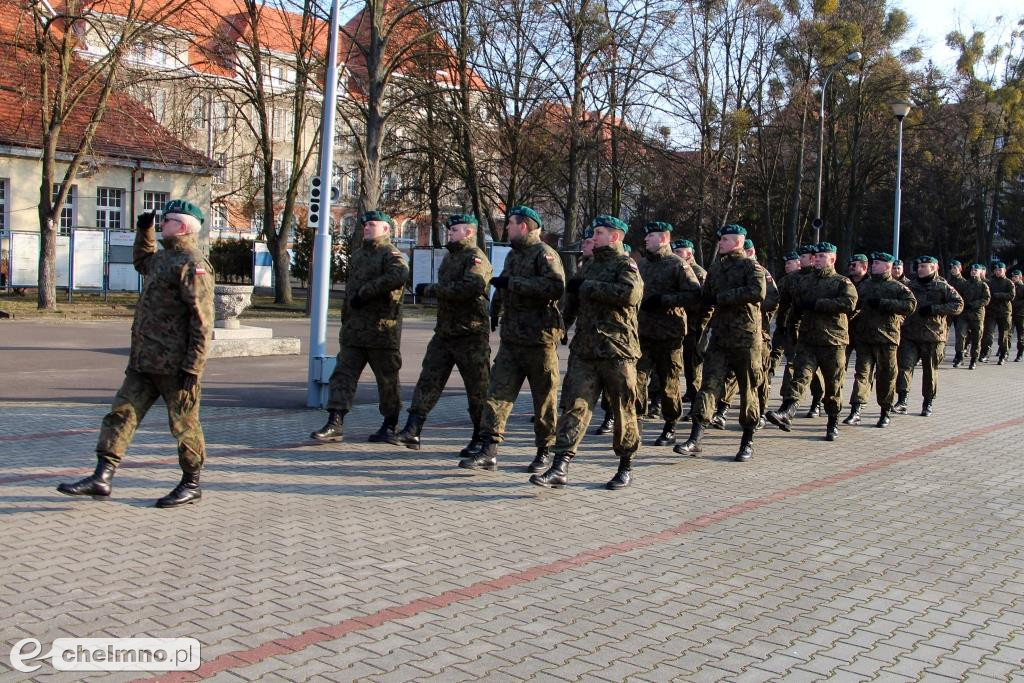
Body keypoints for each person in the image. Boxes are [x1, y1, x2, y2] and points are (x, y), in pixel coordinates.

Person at [57, 201, 214, 508]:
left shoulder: (192, 264)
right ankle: (102, 476)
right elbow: (143, 260)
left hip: (175, 366)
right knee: (120, 415)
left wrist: (193, 367)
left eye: (166, 220)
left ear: (182, 226)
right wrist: (145, 231)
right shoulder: (163, 258)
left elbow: (202, 321)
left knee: (184, 425)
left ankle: (191, 482)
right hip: (144, 362)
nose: (161, 223)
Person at [531, 215, 643, 489]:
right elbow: (571, 302)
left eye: (600, 233)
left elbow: (630, 294)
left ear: (615, 237)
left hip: (617, 351)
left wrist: (590, 287)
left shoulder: (625, 264)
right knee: (575, 407)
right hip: (586, 351)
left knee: (622, 410)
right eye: (594, 233)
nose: (594, 237)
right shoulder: (589, 265)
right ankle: (560, 466)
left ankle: (625, 465)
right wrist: (560, 329)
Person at [460, 205, 565, 473]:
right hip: (512, 340)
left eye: (510, 223)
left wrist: (515, 284)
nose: (506, 228)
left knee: (544, 400)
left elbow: (555, 287)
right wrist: (495, 309)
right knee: (497, 395)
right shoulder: (513, 256)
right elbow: (503, 284)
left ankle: (544, 451)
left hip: (539, 340)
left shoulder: (545, 254)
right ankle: (489, 450)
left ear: (524, 226)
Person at [394, 214, 492, 451]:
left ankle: (481, 437)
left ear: (468, 232)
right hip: (445, 332)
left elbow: (472, 286)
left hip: (470, 334)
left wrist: (432, 289)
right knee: (428, 379)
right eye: (449, 230)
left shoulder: (476, 258)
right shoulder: (450, 257)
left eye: (454, 230)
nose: (449, 233)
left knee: (477, 389)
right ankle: (412, 429)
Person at [311, 211, 409, 443]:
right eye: (365, 224)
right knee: (342, 376)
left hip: (380, 331)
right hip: (354, 331)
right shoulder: (357, 255)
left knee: (387, 381)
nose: (366, 227)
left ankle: (390, 424)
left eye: (372, 225)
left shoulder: (391, 254)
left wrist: (367, 292)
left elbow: (400, 274)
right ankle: (335, 422)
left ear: (386, 229)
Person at [673, 224, 766, 462]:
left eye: (725, 240)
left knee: (748, 389)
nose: (721, 243)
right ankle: (695, 438)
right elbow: (706, 297)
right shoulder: (716, 268)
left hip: (745, 338)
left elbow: (758, 292)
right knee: (708, 386)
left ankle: (747, 441)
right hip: (720, 338)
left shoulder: (751, 266)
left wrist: (724, 297)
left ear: (737, 242)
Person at [765, 242, 858, 441]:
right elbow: (796, 307)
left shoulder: (842, 282)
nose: (817, 260)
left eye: (822, 256)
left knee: (833, 384)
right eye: (815, 256)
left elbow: (849, 303)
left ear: (832, 259)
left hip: (833, 341)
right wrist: (792, 329)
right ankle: (788, 411)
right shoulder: (805, 282)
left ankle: (832, 422)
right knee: (800, 376)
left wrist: (818, 304)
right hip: (808, 339)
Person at [635, 221, 701, 446]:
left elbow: (694, 294)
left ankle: (670, 425)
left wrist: (665, 300)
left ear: (663, 238)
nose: (646, 240)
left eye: (650, 236)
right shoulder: (642, 264)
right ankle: (636, 422)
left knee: (668, 382)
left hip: (669, 334)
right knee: (637, 380)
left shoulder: (677, 264)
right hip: (643, 332)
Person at [843, 252, 916, 428]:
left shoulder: (896, 287)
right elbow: (854, 304)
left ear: (887, 266)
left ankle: (885, 412)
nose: (873, 266)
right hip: (865, 338)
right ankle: (856, 409)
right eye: (873, 263)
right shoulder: (865, 285)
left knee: (886, 377)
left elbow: (911, 305)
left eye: (877, 263)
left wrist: (885, 303)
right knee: (862, 374)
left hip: (887, 339)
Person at [893, 256, 964, 416]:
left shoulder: (943, 286)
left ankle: (928, 402)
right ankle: (902, 399)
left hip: (933, 336)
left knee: (930, 370)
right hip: (910, 334)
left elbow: (958, 305)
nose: (920, 269)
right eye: (919, 266)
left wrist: (934, 309)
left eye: (924, 266)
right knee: (905, 366)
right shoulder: (911, 286)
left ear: (934, 268)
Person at [672, 239, 708, 412]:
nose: (676, 254)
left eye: (680, 252)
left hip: (693, 326)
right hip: (678, 325)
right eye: (675, 251)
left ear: (690, 253)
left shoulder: (698, 272)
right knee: (681, 364)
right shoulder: (675, 269)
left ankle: (696, 404)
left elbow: (704, 304)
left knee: (693, 366)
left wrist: (701, 327)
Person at [980, 261, 1014, 364]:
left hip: (1004, 312)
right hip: (991, 312)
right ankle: (985, 353)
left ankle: (1003, 355)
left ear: (1004, 271)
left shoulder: (1009, 282)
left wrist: (998, 295)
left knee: (1003, 335)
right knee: (988, 334)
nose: (998, 272)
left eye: (1000, 270)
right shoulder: (990, 282)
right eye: (996, 270)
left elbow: (1011, 296)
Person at [957, 264, 990, 369]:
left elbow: (986, 299)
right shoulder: (965, 284)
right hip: (965, 314)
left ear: (980, 272)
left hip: (977, 315)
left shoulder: (983, 285)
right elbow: (959, 296)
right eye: (972, 270)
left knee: (976, 338)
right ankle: (959, 358)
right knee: (961, 335)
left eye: (976, 270)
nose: (973, 271)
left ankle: (973, 360)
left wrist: (974, 304)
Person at [947, 260, 969, 366]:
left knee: (960, 334)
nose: (953, 270)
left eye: (955, 268)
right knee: (944, 332)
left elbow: (966, 298)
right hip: (948, 311)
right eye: (951, 268)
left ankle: (959, 355)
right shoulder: (948, 282)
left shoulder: (964, 283)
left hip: (960, 312)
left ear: (960, 269)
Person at [1012, 269, 1024, 362]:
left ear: (1020, 277)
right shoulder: (1010, 286)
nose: (1014, 278)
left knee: (1021, 336)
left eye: (1016, 277)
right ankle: (1004, 352)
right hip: (1011, 314)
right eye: (1013, 277)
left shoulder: (1022, 288)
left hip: (1021, 315)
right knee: (1007, 334)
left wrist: (1014, 303)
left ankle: (1020, 353)